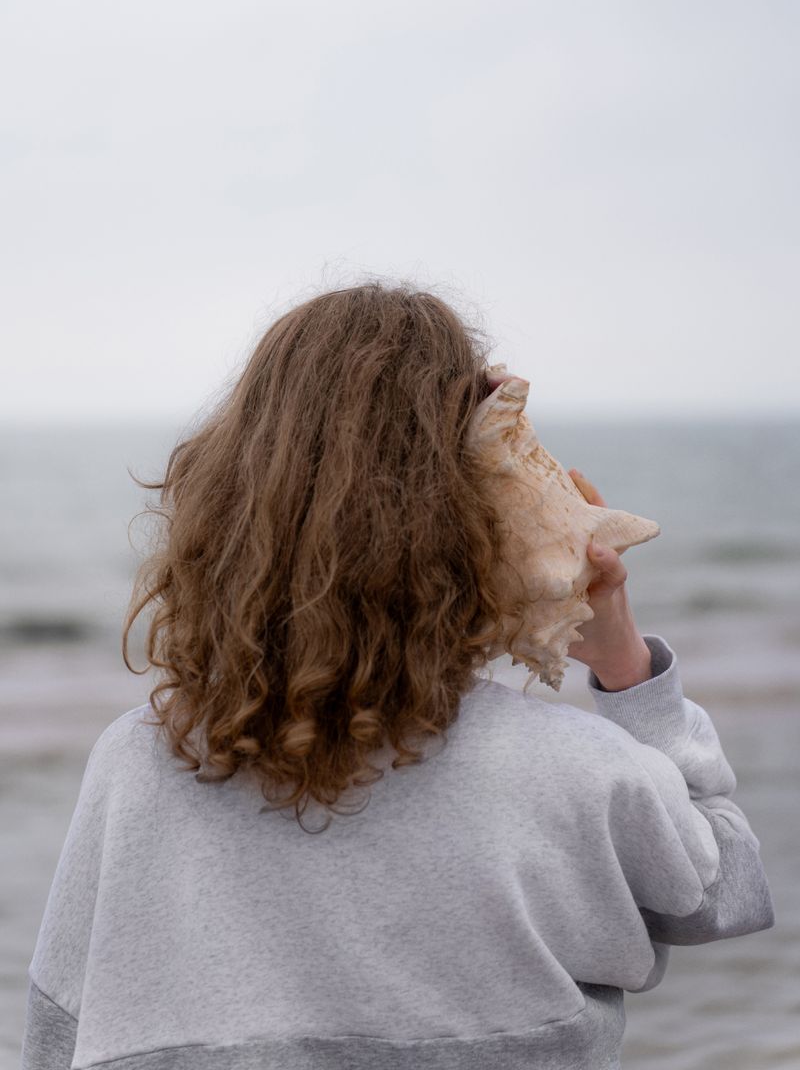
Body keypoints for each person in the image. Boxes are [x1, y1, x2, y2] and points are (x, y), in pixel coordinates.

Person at [21, 281, 775, 1070]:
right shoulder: (575, 775)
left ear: (231, 500)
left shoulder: (135, 768)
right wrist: (623, 664)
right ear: (475, 510)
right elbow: (727, 890)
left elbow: (56, 1041)